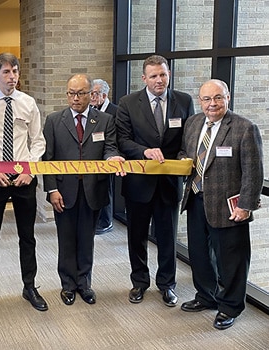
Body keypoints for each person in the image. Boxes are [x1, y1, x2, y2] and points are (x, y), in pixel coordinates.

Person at [178, 79, 263, 330]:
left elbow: (253, 172)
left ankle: (230, 307)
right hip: (195, 199)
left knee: (231, 260)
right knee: (200, 255)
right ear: (200, 100)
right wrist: (183, 161)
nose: (212, 104)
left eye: (218, 98)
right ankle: (206, 296)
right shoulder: (193, 123)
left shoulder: (244, 128)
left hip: (229, 208)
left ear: (228, 98)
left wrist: (245, 206)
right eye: (207, 99)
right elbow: (186, 152)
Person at [0, 52, 47, 319]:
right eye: (6, 72)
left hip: (24, 177)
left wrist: (30, 167)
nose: (12, 77)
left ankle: (30, 287)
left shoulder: (28, 103)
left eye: (15, 71)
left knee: (27, 237)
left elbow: (38, 140)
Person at [116, 54, 194, 307]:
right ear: (144, 78)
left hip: (169, 184)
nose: (159, 80)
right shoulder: (128, 103)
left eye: (163, 74)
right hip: (139, 183)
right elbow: (123, 140)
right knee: (136, 236)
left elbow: (188, 140)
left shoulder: (183, 101)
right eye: (153, 76)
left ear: (168, 74)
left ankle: (167, 284)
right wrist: (144, 151)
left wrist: (183, 158)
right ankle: (139, 282)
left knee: (167, 238)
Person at [43, 74, 125, 306]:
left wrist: (113, 158)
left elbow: (109, 148)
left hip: (92, 190)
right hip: (63, 190)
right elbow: (47, 159)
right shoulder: (54, 120)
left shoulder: (105, 120)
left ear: (92, 95)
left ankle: (84, 283)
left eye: (80, 93)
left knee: (86, 240)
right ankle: (68, 285)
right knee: (66, 239)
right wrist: (51, 190)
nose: (75, 98)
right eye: (71, 93)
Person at [90, 78, 119, 234]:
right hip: (93, 157)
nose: (92, 97)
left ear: (105, 95)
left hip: (109, 156)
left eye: (95, 94)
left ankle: (106, 221)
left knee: (106, 189)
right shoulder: (92, 110)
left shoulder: (114, 111)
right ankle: (96, 220)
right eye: (91, 93)